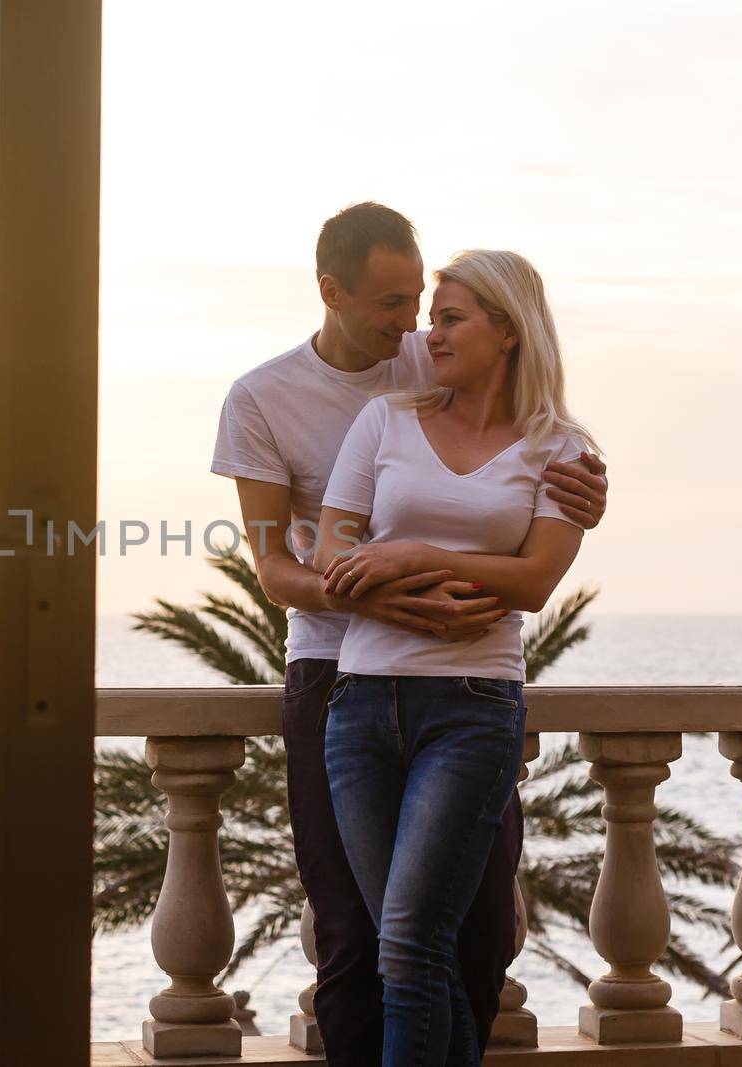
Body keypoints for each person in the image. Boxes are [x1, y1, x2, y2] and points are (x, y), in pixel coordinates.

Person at [211, 203, 607, 1066]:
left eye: (423, 303)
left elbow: (534, 434)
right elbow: (279, 572)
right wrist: (388, 599)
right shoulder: (264, 398)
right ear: (331, 293)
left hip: (466, 683)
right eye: (393, 305)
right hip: (336, 669)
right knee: (358, 938)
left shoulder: (436, 356)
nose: (412, 326)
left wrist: (580, 493)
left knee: (470, 936)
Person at [314, 248, 598, 1067]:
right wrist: (394, 569)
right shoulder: (385, 421)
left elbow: (537, 578)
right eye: (433, 318)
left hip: (471, 706)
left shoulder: (562, 449)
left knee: (409, 945)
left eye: (450, 318)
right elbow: (336, 551)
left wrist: (404, 551)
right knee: (405, 951)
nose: (429, 334)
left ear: (507, 330)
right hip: (361, 704)